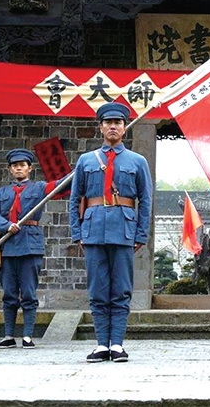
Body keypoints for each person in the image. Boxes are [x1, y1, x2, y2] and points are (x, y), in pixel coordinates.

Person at [69, 102, 152, 363]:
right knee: (97, 290)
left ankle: (117, 344)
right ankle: (100, 345)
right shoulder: (86, 161)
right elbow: (75, 199)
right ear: (101, 127)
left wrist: (141, 234)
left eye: (118, 123)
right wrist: (77, 233)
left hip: (124, 231)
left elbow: (145, 200)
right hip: (93, 230)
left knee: (121, 290)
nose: (113, 127)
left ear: (125, 128)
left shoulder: (137, 161)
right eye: (108, 123)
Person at [0, 148, 69, 349]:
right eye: (15, 166)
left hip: (30, 246)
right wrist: (6, 225)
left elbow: (60, 185)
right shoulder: (1, 193)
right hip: (8, 246)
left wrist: (79, 169)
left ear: (30, 168)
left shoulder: (39, 188)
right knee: (9, 293)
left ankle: (28, 336)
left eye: (22, 165)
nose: (18, 168)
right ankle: (8, 336)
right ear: (10, 169)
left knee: (29, 293)